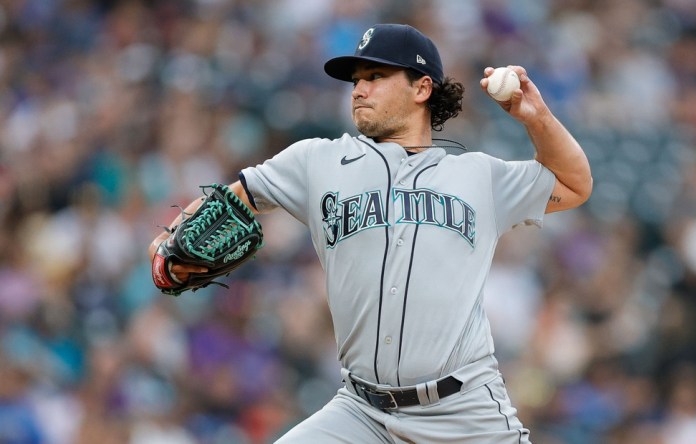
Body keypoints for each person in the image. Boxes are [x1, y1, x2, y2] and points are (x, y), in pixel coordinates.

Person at [149, 23, 592, 443]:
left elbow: (575, 184)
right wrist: (167, 239)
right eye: (356, 79)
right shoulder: (315, 162)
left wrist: (536, 117)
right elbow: (232, 199)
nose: (359, 89)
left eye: (376, 76)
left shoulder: (480, 175)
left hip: (464, 410)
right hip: (361, 412)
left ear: (422, 88)